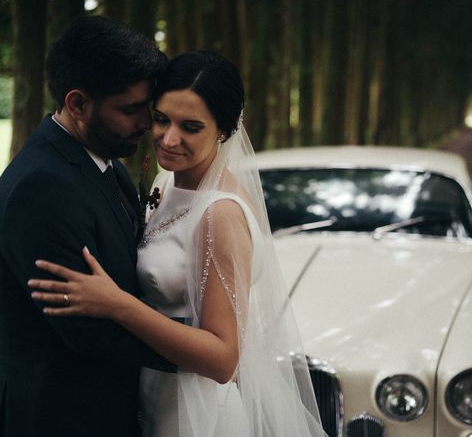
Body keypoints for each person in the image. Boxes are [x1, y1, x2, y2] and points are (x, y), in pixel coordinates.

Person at [28, 51, 328, 437]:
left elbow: (223, 359)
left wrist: (117, 304)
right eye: (161, 119)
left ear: (223, 130)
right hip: (151, 393)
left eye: (190, 127)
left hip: (195, 412)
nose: (169, 139)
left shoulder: (219, 214)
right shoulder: (168, 182)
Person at [0, 16, 173, 437]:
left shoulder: (104, 163)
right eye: (130, 110)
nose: (146, 124)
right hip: (64, 416)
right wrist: (205, 349)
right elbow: (87, 331)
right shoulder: (41, 186)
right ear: (77, 103)